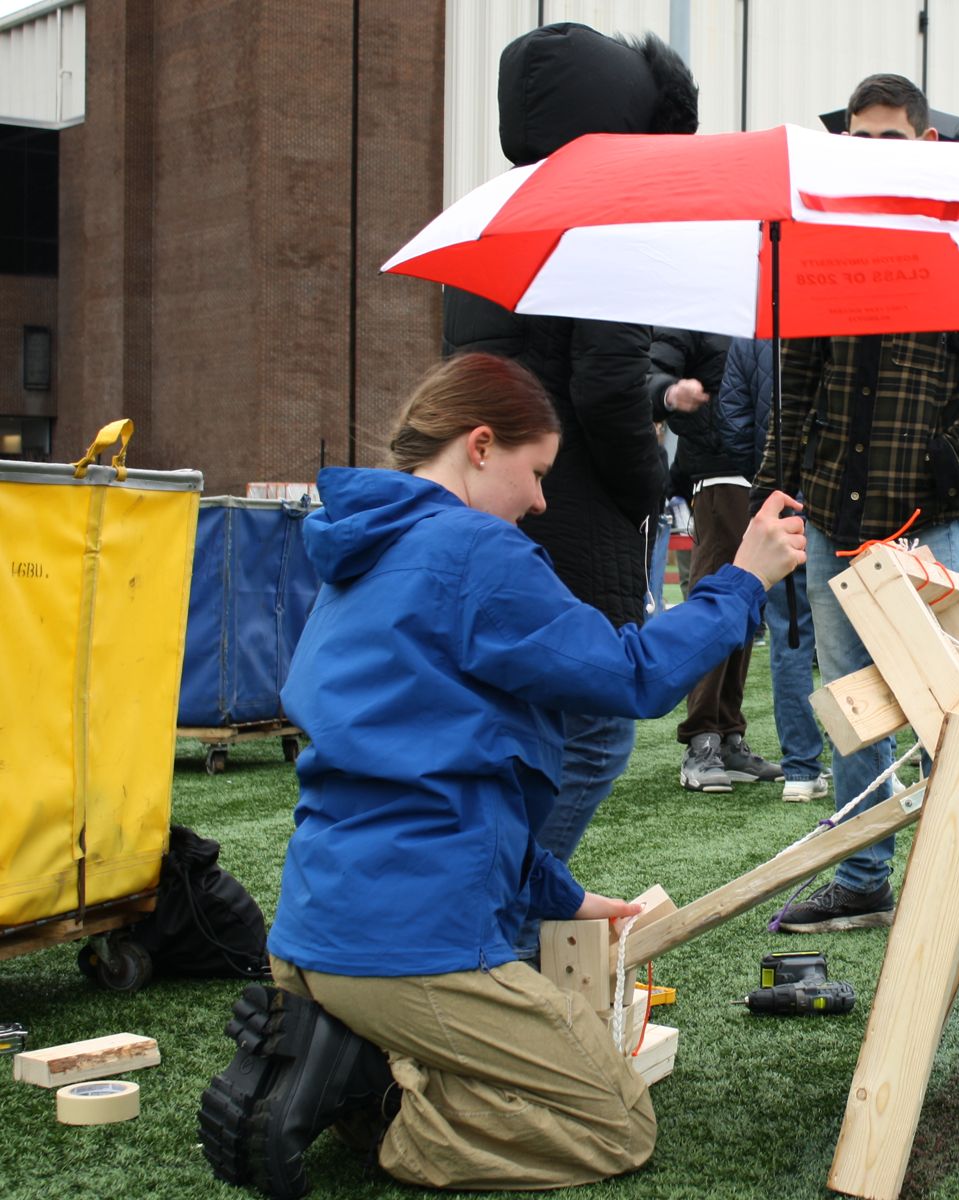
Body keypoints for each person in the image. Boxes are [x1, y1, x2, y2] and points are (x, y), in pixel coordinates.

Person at [197, 354, 805, 1197]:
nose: (542, 501)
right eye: (538, 471)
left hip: (314, 934)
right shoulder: (473, 549)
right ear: (480, 446)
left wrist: (557, 895)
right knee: (612, 1124)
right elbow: (631, 675)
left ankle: (342, 1047)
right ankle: (375, 1100)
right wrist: (744, 578)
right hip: (409, 946)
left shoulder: (364, 551)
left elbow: (425, 779)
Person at [441, 24, 701, 957]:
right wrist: (653, 483)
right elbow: (600, 384)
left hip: (488, 498)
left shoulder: (494, 210)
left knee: (512, 737)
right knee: (591, 734)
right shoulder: (604, 216)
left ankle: (488, 915)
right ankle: (495, 928)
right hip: (576, 512)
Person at [754, 74, 959, 935]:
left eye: (891, 139)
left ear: (925, 143)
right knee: (849, 700)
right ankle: (865, 877)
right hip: (835, 515)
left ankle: (955, 881)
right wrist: (778, 483)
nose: (874, 153)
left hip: (927, 521)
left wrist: (945, 465)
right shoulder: (820, 243)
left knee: (946, 705)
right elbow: (796, 383)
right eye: (860, 139)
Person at [651, 327, 786, 794]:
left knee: (748, 610)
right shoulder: (699, 312)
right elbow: (657, 373)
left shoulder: (757, 309)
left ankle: (727, 733)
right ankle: (701, 739)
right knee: (717, 606)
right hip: (721, 474)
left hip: (762, 474)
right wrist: (699, 419)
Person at [717, 334, 832, 802]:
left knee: (790, 637)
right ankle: (855, 766)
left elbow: (732, 419)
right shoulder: (839, 326)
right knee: (848, 635)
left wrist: (768, 476)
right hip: (833, 500)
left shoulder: (749, 338)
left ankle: (802, 769)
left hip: (778, 497)